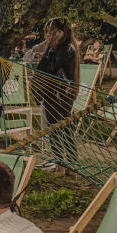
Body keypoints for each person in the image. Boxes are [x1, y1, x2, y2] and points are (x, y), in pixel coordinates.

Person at [35, 18, 80, 161]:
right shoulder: (53, 48)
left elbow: (51, 68)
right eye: (50, 31)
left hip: (62, 95)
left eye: (56, 31)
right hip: (51, 94)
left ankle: (72, 163)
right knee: (54, 130)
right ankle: (60, 163)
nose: (52, 34)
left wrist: (49, 55)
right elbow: (40, 69)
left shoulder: (67, 49)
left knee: (65, 129)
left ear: (64, 32)